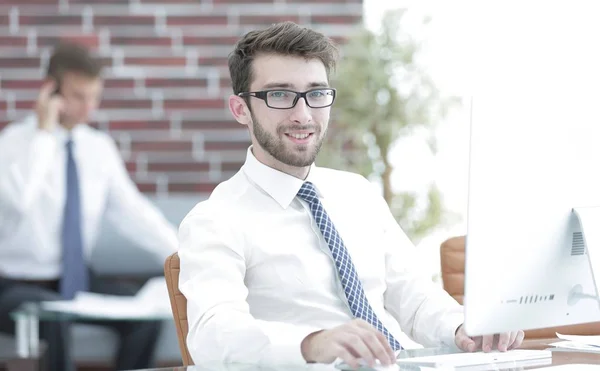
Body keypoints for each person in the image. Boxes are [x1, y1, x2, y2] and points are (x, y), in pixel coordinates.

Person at [177, 21, 524, 368]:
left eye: (316, 93)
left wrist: (464, 327)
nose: (303, 115)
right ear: (241, 110)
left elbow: (414, 299)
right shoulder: (215, 219)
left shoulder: (356, 192)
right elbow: (213, 335)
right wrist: (312, 344)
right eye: (279, 95)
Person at [0, 42, 177, 371]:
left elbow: (135, 215)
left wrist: (187, 256)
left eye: (94, 97)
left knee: (144, 318)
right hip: (14, 285)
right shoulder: (15, 142)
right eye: (78, 96)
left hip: (75, 280)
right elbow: (19, 200)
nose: (88, 108)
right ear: (51, 91)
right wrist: (44, 132)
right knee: (56, 317)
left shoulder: (98, 149)